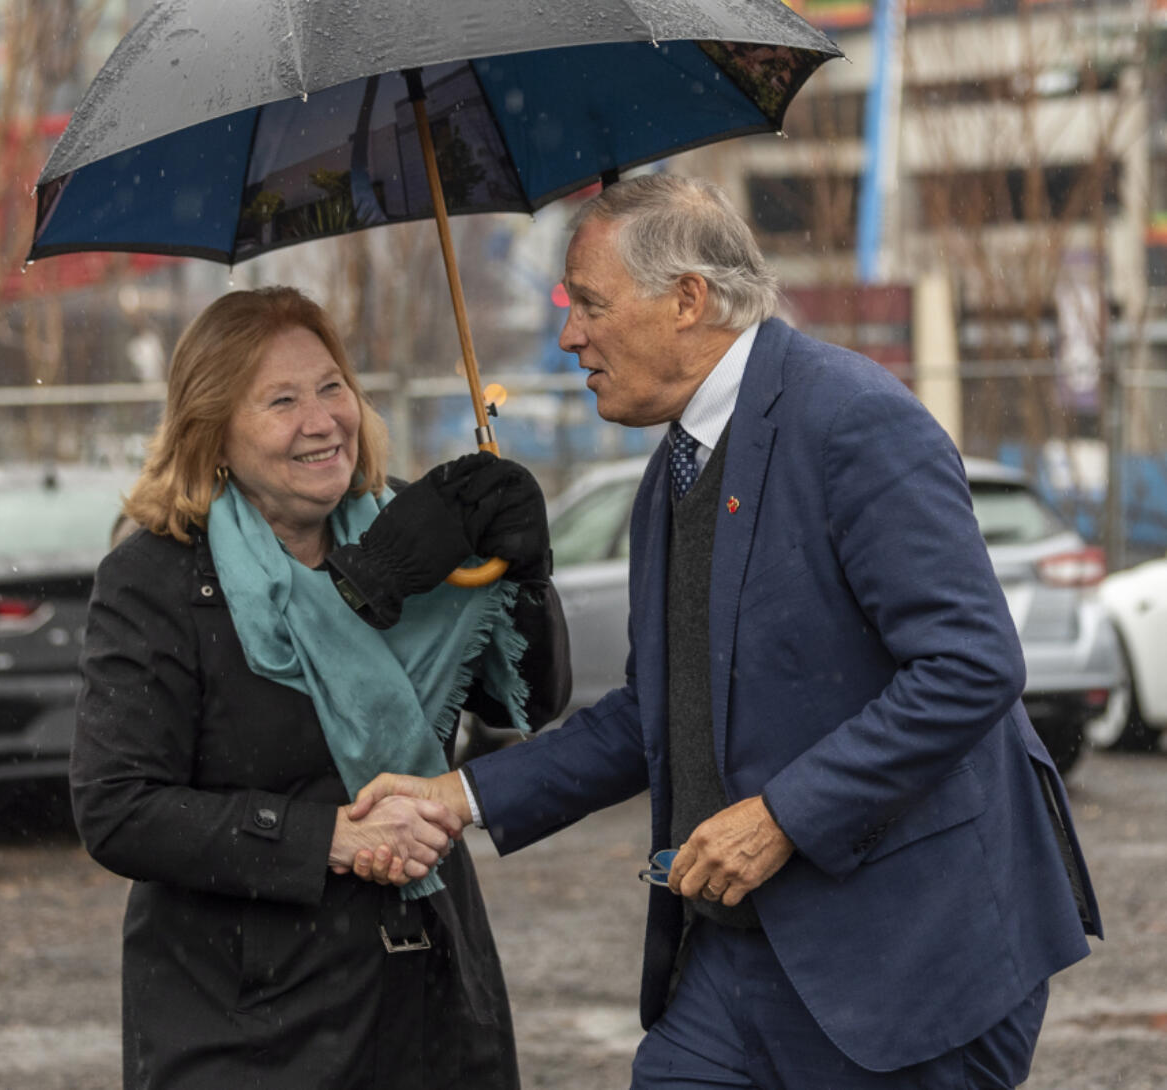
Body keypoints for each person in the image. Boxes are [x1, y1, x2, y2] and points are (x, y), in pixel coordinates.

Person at [349, 175, 1102, 1089]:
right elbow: (652, 715)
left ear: (688, 300)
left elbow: (971, 666)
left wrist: (785, 816)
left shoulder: (850, 418)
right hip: (733, 965)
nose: (568, 335)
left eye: (588, 304)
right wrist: (457, 798)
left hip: (913, 968)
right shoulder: (668, 476)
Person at [70, 285, 570, 1090]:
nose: (321, 419)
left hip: (433, 1002)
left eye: (331, 385)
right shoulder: (157, 579)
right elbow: (118, 808)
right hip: (248, 1030)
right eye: (281, 400)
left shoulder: (411, 533)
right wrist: (326, 838)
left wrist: (527, 574)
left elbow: (529, 706)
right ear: (215, 434)